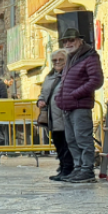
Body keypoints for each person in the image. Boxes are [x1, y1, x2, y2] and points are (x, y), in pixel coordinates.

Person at [54, 28, 104, 184]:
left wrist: (75, 94)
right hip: (68, 106)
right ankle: (78, 168)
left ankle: (87, 170)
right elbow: (65, 82)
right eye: (65, 41)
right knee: (72, 140)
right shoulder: (71, 58)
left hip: (80, 106)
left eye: (71, 40)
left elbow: (96, 80)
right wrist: (59, 97)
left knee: (83, 139)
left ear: (79, 40)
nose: (68, 43)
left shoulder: (89, 57)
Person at [37, 49, 74, 181]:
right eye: (54, 60)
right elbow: (43, 93)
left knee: (67, 144)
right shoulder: (49, 76)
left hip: (66, 116)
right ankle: (63, 168)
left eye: (60, 60)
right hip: (53, 117)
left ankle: (68, 170)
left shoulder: (71, 74)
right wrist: (40, 100)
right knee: (58, 144)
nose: (57, 62)